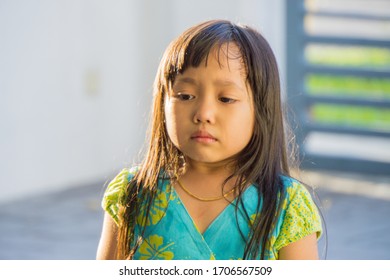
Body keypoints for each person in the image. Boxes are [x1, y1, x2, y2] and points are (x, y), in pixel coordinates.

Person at [96, 19, 322, 260]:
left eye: (225, 99)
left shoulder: (286, 206)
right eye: (185, 95)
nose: (203, 113)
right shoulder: (134, 193)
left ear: (261, 109)